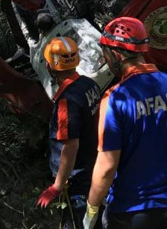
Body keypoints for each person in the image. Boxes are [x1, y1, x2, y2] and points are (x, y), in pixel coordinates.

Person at [83, 17, 167, 229]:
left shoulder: (114, 100)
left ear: (115, 54)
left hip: (132, 212)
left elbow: (107, 165)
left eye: (105, 53)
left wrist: (92, 209)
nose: (105, 59)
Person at [36, 36, 101, 229]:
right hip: (94, 167)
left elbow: (70, 146)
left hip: (76, 180)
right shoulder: (90, 85)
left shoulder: (66, 101)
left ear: (49, 67)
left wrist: (57, 186)